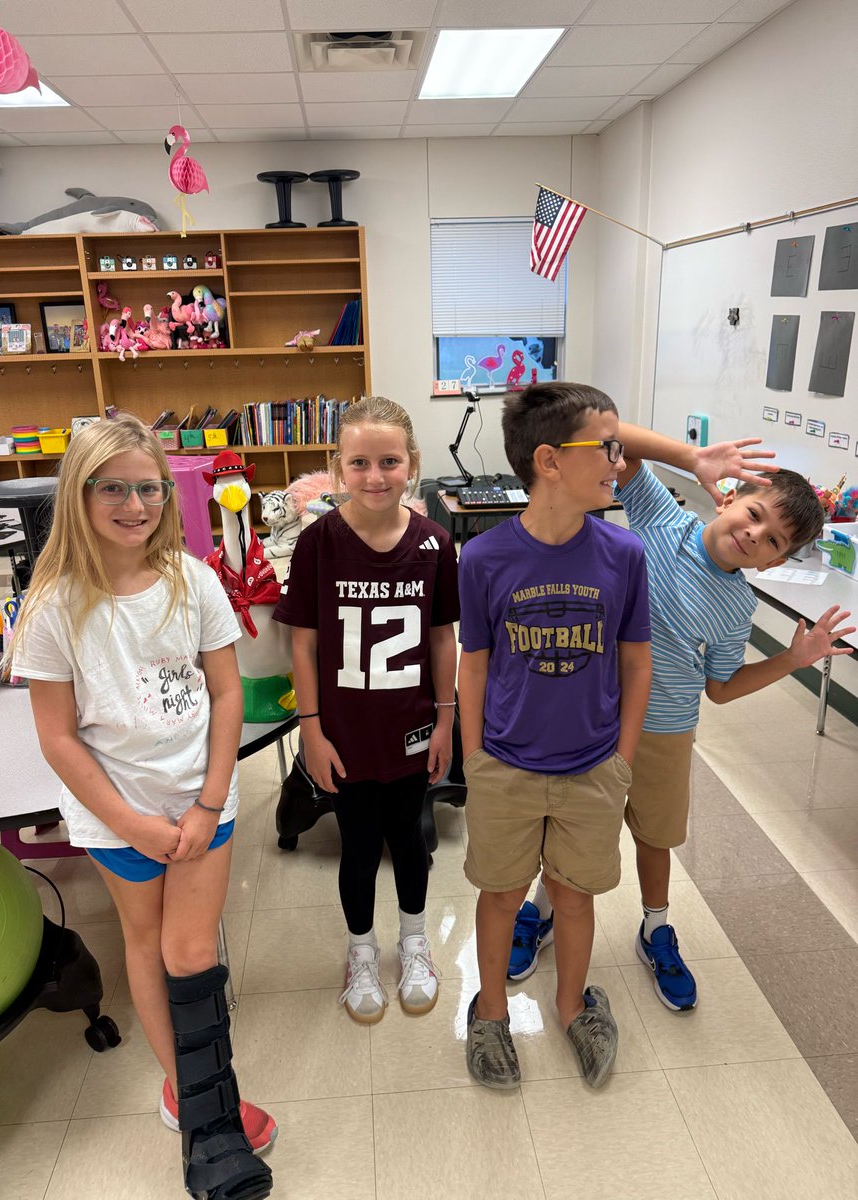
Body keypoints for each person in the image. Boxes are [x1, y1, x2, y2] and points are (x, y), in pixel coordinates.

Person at [7, 414, 275, 1200]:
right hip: (115, 816)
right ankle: (191, 1099)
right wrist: (132, 824)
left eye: (149, 488)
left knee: (190, 954)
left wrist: (209, 803)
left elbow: (226, 694)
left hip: (201, 801)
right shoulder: (52, 605)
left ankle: (209, 1105)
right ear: (79, 494)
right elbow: (58, 737)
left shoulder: (194, 580)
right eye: (113, 489)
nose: (135, 505)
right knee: (147, 942)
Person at [509, 426, 854, 1014]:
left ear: (774, 562)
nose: (754, 534)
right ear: (727, 497)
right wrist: (691, 456)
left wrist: (791, 660)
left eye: (772, 540)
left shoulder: (737, 605)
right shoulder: (662, 518)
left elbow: (721, 688)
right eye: (753, 514)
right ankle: (540, 912)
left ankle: (656, 928)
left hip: (666, 732)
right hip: (592, 715)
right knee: (572, 826)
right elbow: (608, 436)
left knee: (656, 836)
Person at [458, 381, 653, 1090]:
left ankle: (573, 1006)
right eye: (607, 447)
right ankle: (490, 1012)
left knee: (574, 896)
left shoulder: (623, 553)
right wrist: (475, 758)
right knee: (502, 894)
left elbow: (637, 662)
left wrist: (622, 760)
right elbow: (474, 665)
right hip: (505, 764)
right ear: (548, 460)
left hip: (593, 766)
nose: (619, 461)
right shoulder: (484, 558)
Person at [273, 396, 460, 1025]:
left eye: (389, 461)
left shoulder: (435, 543)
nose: (375, 476)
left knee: (409, 837)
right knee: (356, 843)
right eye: (359, 463)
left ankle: (414, 941)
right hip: (343, 733)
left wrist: (446, 721)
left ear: (412, 464)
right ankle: (361, 951)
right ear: (337, 467)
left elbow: (441, 638)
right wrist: (311, 730)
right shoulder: (317, 544)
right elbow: (303, 643)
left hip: (410, 727)